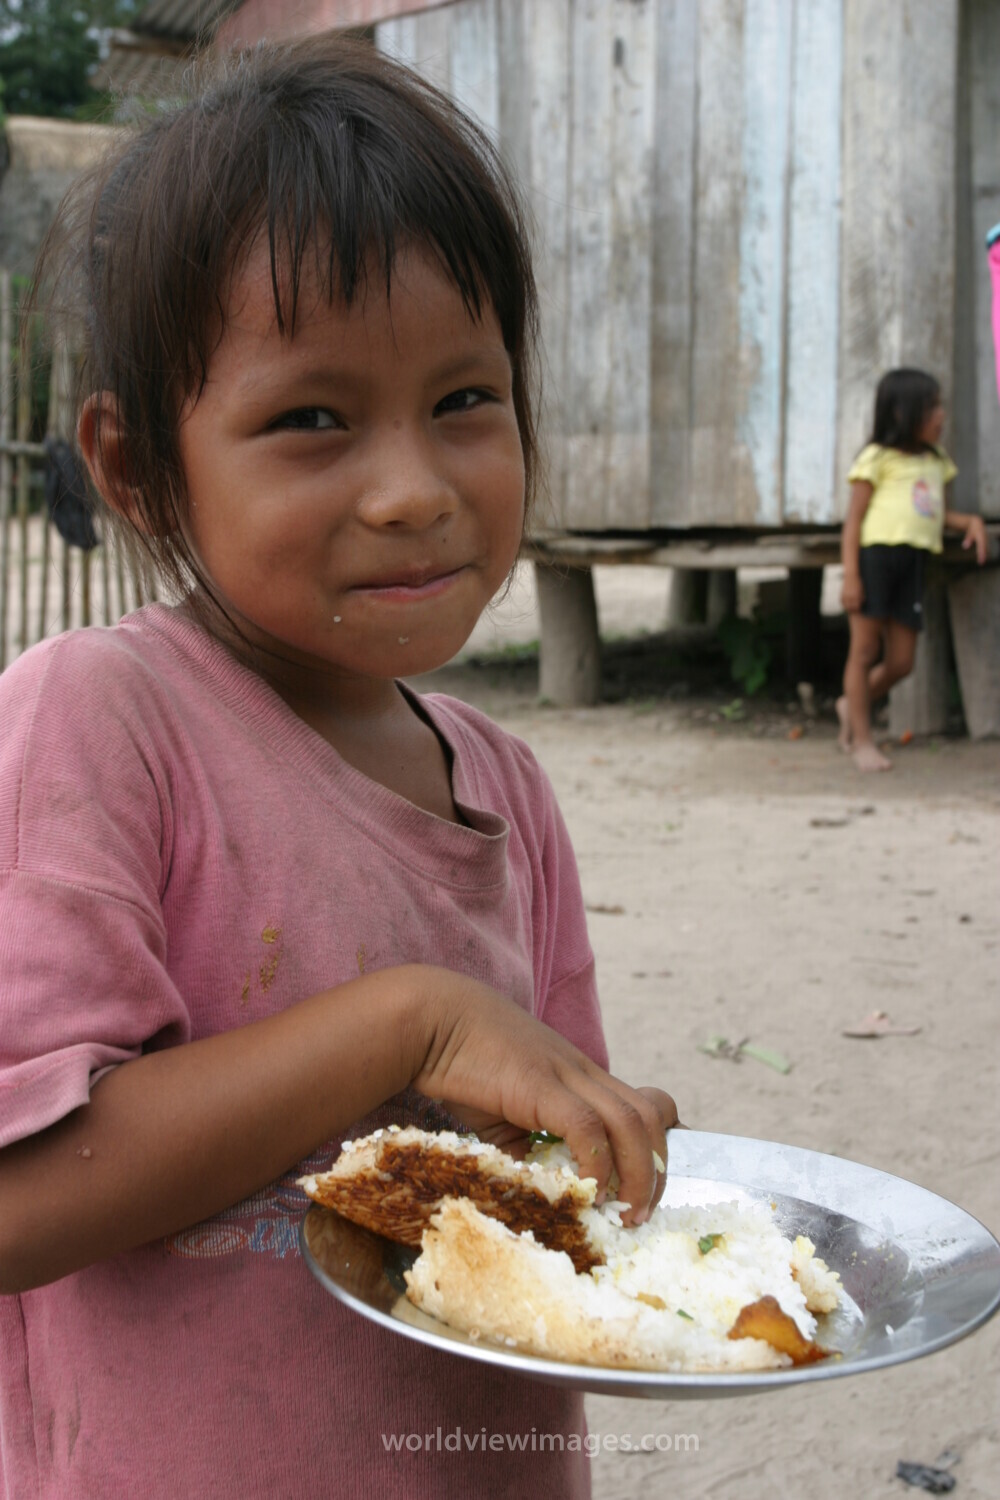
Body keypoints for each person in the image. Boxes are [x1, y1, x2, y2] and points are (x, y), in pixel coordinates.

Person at [0, 38, 678, 1499]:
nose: (413, 490)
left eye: (464, 400)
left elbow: (553, 1202)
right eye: (311, 419)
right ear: (138, 470)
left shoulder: (507, 793)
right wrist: (407, 1028)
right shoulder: (102, 725)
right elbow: (20, 1200)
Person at [836, 368, 987, 771]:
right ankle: (862, 741)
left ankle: (851, 705)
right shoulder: (876, 458)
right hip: (875, 560)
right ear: (903, 413)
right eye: (933, 407)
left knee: (903, 662)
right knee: (865, 650)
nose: (941, 415)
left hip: (914, 562)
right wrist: (851, 574)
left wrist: (967, 522)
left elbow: (931, 510)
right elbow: (853, 521)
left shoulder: (937, 460)